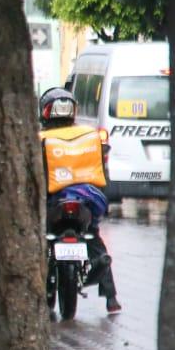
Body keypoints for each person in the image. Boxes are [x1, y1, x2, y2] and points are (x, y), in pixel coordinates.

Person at [38, 87, 122, 314]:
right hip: (87, 203)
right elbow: (104, 170)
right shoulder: (89, 135)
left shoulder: (39, 139)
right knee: (94, 238)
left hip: (52, 204)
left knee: (39, 241)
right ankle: (111, 298)